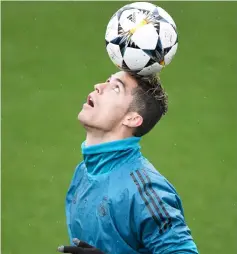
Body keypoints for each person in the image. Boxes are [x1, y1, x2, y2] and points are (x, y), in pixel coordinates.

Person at [57, 71, 198, 254]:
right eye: (107, 80)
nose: (98, 86)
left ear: (132, 118)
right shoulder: (83, 172)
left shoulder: (145, 190)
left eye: (116, 88)